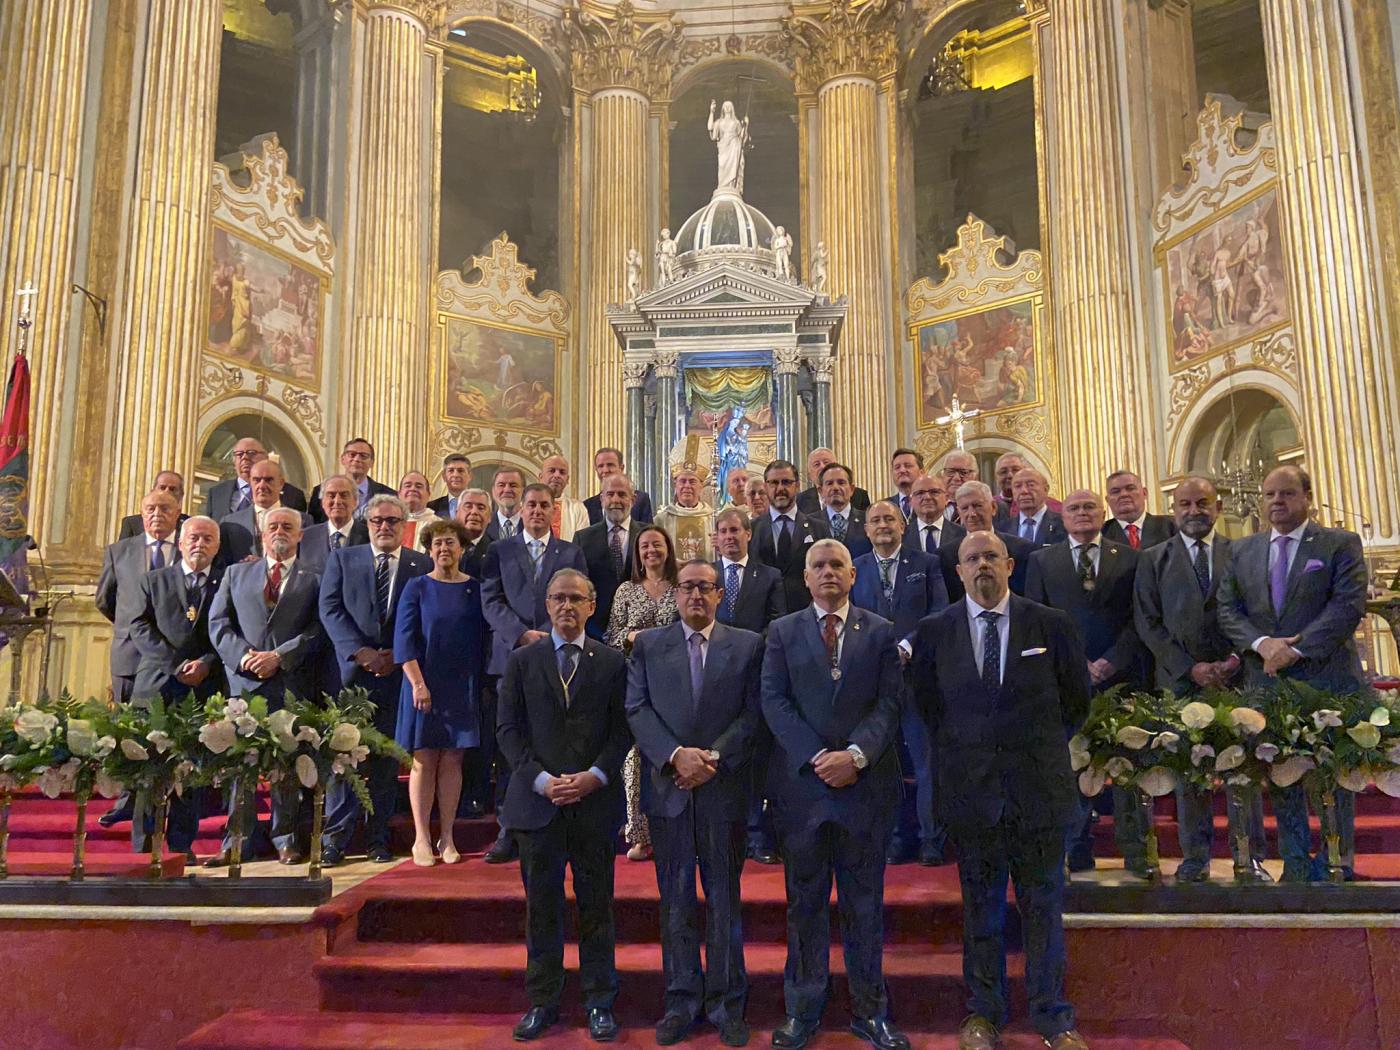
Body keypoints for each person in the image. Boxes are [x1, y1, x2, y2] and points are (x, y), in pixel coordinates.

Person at [909, 531, 1091, 1050]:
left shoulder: (1050, 625)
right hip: (973, 797)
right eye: (971, 558)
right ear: (959, 571)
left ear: (1009, 564)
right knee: (981, 912)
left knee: (1042, 911)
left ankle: (1053, 1016)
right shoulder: (935, 630)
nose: (982, 564)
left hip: (1039, 794)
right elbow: (929, 708)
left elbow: (1075, 704)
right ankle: (984, 1013)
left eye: (991, 556)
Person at [761, 539, 908, 1050]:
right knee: (804, 904)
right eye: (818, 566)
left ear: (852, 575)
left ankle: (871, 1011)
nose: (828, 573)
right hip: (803, 788)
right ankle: (802, 1011)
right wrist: (816, 757)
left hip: (864, 787)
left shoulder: (881, 631)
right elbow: (773, 700)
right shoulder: (781, 632)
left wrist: (857, 756)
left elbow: (890, 703)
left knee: (864, 903)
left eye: (837, 566)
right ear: (805, 577)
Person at [626, 560, 764, 1048]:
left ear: (719, 593)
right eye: (687, 588)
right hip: (669, 792)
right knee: (677, 900)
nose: (696, 596)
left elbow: (753, 713)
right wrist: (674, 757)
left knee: (724, 899)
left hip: (723, 788)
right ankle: (682, 999)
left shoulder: (747, 645)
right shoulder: (647, 644)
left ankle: (727, 1003)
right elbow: (636, 709)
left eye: (705, 588)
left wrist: (712, 759)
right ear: (676, 594)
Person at [1216, 465, 1369, 882]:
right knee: (1279, 771)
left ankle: (1338, 858)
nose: (1276, 502)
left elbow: (1346, 606)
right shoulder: (1243, 550)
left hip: (1327, 678)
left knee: (1333, 775)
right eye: (1269, 495)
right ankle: (1297, 862)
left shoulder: (1339, 543)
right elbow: (1228, 610)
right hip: (1268, 681)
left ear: (1307, 497)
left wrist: (1295, 648)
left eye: (1286, 494)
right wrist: (1263, 645)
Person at [496, 568, 630, 1044]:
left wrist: (594, 777)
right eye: (558, 598)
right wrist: (540, 780)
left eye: (577, 598)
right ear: (546, 605)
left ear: (593, 606)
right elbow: (508, 732)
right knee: (542, 909)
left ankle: (599, 1002)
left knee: (597, 908)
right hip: (538, 806)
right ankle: (542, 1001)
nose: (567, 606)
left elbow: (622, 732)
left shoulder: (613, 662)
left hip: (594, 805)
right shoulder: (523, 661)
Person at [1133, 476, 1267, 883]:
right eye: (1185, 504)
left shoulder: (1241, 553)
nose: (1194, 511)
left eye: (1202, 503)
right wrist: (1189, 666)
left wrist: (1234, 657)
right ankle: (1195, 857)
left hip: (1236, 677)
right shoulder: (1153, 558)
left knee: (1244, 768)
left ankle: (1249, 856)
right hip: (1181, 681)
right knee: (1188, 772)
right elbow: (1148, 622)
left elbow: (1257, 612)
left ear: (1218, 507)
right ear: (1173, 510)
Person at [1025, 489, 1148, 876]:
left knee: (1127, 764)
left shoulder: (1130, 558)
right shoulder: (1042, 561)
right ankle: (1076, 848)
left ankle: (1135, 849)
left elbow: (1138, 617)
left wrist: (1113, 660)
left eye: (1089, 507)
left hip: (1121, 677)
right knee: (1073, 765)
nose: (1082, 514)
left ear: (1103, 513)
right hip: (1065, 679)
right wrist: (1077, 664)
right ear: (1063, 518)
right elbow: (1035, 621)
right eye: (1074, 508)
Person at [318, 494, 433, 865]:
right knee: (343, 759)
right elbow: (330, 608)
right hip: (353, 674)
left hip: (398, 676)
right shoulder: (343, 559)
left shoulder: (421, 564)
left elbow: (424, 617)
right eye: (377, 521)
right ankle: (335, 838)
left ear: (404, 525)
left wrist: (397, 656)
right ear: (366, 524)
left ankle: (378, 838)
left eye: (393, 521)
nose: (385, 527)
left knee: (386, 760)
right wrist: (359, 651)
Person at [207, 508, 323, 866]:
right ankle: (235, 840)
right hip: (243, 685)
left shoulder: (314, 578)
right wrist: (244, 656)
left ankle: (284, 838)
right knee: (238, 765)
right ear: (261, 531)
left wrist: (280, 655)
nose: (280, 531)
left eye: (288, 526)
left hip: (289, 681)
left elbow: (319, 629)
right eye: (273, 526)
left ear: (301, 534)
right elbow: (218, 623)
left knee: (286, 763)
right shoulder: (236, 573)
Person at [481, 482, 588, 863]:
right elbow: (490, 599)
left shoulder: (570, 551)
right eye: (532, 505)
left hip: (556, 656)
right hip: (510, 657)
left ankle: (557, 823)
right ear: (521, 509)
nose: (538, 511)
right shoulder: (499, 550)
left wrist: (549, 634)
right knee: (511, 747)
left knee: (550, 740)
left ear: (553, 510)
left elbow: (578, 598)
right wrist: (520, 634)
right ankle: (508, 830)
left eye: (545, 505)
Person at [852, 500, 950, 866]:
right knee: (882, 762)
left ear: (903, 525)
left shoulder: (926, 564)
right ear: (865, 529)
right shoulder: (855, 567)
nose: (882, 525)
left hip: (918, 677)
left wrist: (908, 645)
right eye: (875, 520)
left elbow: (938, 612)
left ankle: (931, 840)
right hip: (873, 679)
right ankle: (894, 838)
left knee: (925, 761)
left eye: (889, 518)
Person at [128, 515, 226, 860]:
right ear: (181, 543)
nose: (200, 544)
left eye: (208, 539)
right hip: (156, 686)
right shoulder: (153, 580)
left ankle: (182, 846)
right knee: (149, 766)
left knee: (193, 770)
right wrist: (174, 665)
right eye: (194, 538)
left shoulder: (225, 581)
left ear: (217, 546)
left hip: (204, 687)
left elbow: (231, 628)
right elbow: (139, 627)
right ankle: (144, 846)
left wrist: (206, 664)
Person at [395, 518, 487, 867]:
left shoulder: (474, 588)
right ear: (429, 550)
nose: (444, 549)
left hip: (461, 684)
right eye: (437, 544)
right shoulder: (417, 586)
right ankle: (421, 837)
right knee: (424, 759)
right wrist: (418, 683)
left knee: (453, 759)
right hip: (423, 682)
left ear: (462, 548)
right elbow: (403, 640)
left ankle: (446, 836)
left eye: (450, 542)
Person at [713, 506, 786, 866]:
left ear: (747, 535)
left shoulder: (768, 575)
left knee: (757, 759)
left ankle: (758, 835)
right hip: (713, 679)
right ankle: (724, 836)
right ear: (715, 538)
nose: (729, 537)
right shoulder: (705, 575)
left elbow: (776, 623)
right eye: (723, 531)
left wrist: (745, 648)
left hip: (756, 672)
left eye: (735, 531)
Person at [605, 524, 680, 862]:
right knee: (634, 759)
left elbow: (689, 629)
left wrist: (646, 636)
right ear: (637, 553)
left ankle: (676, 832)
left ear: (668, 549)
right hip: (635, 682)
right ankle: (638, 833)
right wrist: (632, 637)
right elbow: (612, 634)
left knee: (672, 755)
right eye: (645, 546)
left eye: (657, 544)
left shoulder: (681, 588)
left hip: (676, 683)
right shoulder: (625, 590)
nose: (651, 550)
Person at [752, 459, 831, 614]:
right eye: (774, 483)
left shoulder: (818, 528)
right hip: (764, 616)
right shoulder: (752, 529)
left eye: (786, 482)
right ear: (766, 486)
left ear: (797, 486)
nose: (780, 488)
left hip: (807, 614)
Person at [941, 482, 1033, 601]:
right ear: (959, 513)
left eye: (977, 506)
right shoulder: (945, 555)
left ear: (993, 507)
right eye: (965, 508)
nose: (971, 514)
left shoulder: (1023, 550)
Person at [573, 473, 638, 639]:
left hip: (638, 630)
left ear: (633, 499)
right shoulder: (583, 538)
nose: (615, 500)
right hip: (594, 630)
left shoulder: (648, 535)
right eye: (610, 494)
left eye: (622, 494)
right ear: (602, 499)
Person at [219, 458, 313, 562]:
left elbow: (308, 562)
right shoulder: (229, 523)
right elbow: (222, 565)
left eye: (269, 480)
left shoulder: (303, 521)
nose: (262, 486)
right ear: (250, 482)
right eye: (257, 480)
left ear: (281, 483)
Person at [205, 437, 307, 519]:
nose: (244, 458)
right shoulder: (216, 493)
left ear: (266, 457)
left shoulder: (292, 495)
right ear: (233, 460)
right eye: (239, 454)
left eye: (251, 453)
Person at [309, 438, 394, 523]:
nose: (357, 459)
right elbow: (315, 528)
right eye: (352, 454)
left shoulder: (389, 495)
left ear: (371, 462)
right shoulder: (321, 491)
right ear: (343, 459)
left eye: (363, 456)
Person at [298, 474, 368, 575]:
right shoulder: (305, 537)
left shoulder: (369, 537)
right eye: (331, 495)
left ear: (355, 501)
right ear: (322, 502)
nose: (337, 501)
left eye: (344, 495)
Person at [1102, 469, 1177, 550]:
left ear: (1144, 493)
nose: (1123, 494)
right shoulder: (1101, 533)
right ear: (1107, 500)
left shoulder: (1172, 526)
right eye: (1116, 491)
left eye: (1130, 488)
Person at [654, 463, 715, 563]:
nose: (687, 486)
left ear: (701, 486)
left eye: (692, 482)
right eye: (682, 481)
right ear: (676, 485)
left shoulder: (713, 518)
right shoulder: (661, 520)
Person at [584, 447, 655, 524]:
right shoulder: (588, 505)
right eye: (601, 466)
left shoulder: (641, 500)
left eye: (610, 465)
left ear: (621, 467)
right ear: (596, 470)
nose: (605, 470)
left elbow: (647, 532)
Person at [817, 462, 872, 558]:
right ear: (821, 491)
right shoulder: (810, 522)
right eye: (829, 483)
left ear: (851, 489)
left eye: (841, 482)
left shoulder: (868, 520)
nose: (835, 487)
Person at [796, 447, 870, 516]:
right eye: (816, 464)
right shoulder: (800, 500)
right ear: (810, 475)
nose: (822, 466)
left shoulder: (860, 496)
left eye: (826, 462)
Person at [117, 471, 190, 540]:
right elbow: (123, 551)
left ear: (181, 495)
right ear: (153, 491)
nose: (166, 491)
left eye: (172, 489)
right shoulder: (132, 523)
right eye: (162, 487)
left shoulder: (190, 524)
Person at [540, 454, 591, 541]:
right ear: (541, 477)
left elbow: (582, 543)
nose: (557, 475)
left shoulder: (578, 508)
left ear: (567, 479)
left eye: (562, 472)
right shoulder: (528, 505)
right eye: (552, 471)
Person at [1010, 468, 1065, 548]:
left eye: (1031, 485)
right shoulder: (1003, 528)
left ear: (1046, 489)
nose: (1024, 491)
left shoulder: (1064, 524)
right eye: (1018, 486)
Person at [397, 471, 437, 549]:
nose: (413, 489)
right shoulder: (389, 523)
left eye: (419, 486)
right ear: (399, 494)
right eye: (408, 485)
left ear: (428, 494)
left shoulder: (439, 525)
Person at [485, 465, 525, 541]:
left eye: (513, 485)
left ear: (523, 491)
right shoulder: (484, 524)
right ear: (493, 491)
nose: (507, 490)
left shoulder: (534, 523)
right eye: (501, 485)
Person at [428, 453, 472, 518]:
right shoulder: (431, 508)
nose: (456, 475)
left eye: (460, 471)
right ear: (444, 476)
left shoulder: (481, 506)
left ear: (470, 476)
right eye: (451, 470)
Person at [885, 448, 924, 520]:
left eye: (908, 466)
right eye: (897, 467)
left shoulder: (930, 502)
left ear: (921, 472)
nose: (902, 470)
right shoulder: (884, 506)